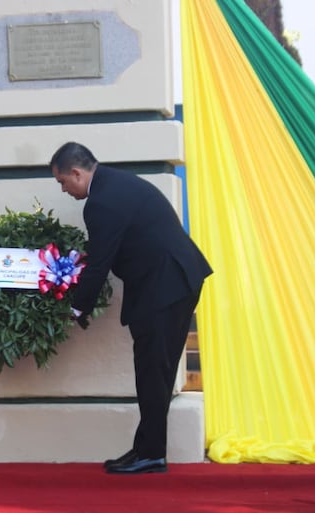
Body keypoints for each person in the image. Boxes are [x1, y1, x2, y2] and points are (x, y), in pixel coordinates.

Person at [50, 142, 213, 474]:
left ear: (77, 173)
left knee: (153, 370)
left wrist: (76, 310)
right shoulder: (117, 183)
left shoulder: (101, 202)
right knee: (156, 371)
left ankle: (151, 453)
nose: (64, 190)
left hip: (165, 286)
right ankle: (146, 448)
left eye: (63, 182)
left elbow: (99, 264)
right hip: (173, 281)